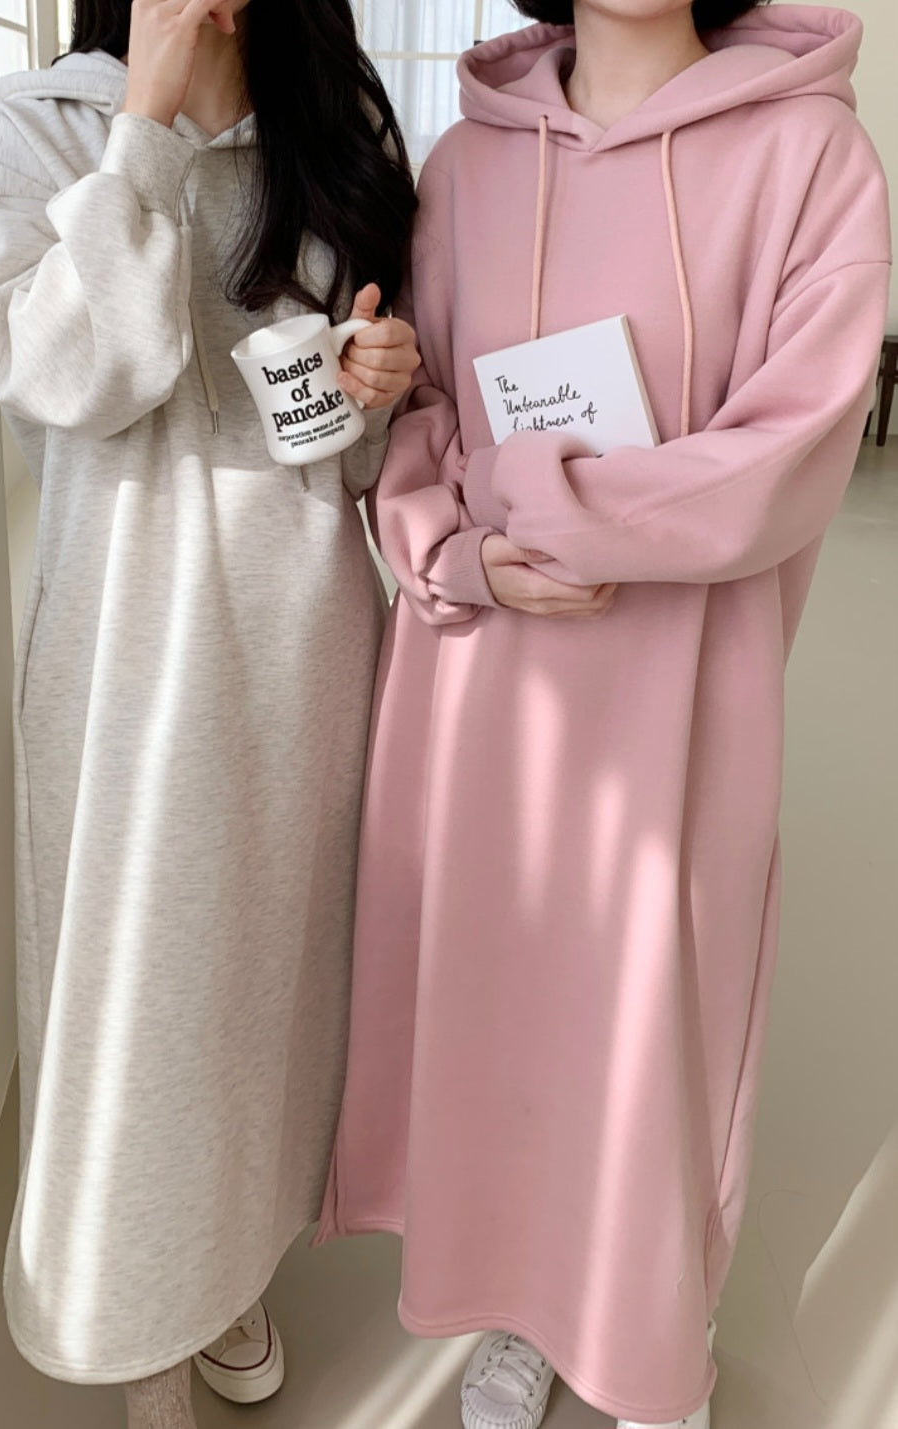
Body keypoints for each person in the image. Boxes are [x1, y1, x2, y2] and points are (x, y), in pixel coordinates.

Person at [317, 3, 890, 1428]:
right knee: (502, 1012)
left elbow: (786, 451)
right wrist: (460, 552)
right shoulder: (467, 163)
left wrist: (534, 500)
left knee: (652, 1024)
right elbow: (423, 409)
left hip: (674, 700)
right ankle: (529, 1303)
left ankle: (647, 1330)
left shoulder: (809, 154)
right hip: (480, 689)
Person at [0, 0, 419, 1423]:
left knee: (266, 1001)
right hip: (119, 663)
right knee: (128, 1007)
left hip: (301, 653)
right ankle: (134, 1336)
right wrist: (143, 131)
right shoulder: (28, 132)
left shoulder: (333, 131)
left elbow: (342, 465)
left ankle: (222, 1274)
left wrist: (375, 390)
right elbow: (70, 380)